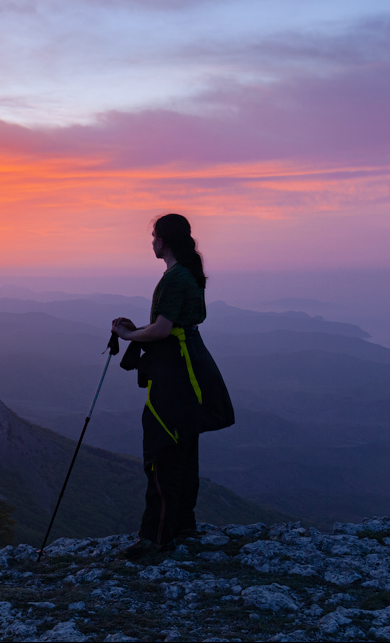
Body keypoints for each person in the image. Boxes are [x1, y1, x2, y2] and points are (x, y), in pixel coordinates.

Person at [111, 214, 234, 559]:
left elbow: (162, 329)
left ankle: (155, 538)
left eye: (154, 237)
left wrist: (129, 335)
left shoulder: (173, 278)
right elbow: (175, 327)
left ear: (162, 241)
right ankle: (182, 525)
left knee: (162, 446)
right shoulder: (189, 274)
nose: (151, 242)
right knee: (184, 447)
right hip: (193, 364)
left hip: (175, 373)